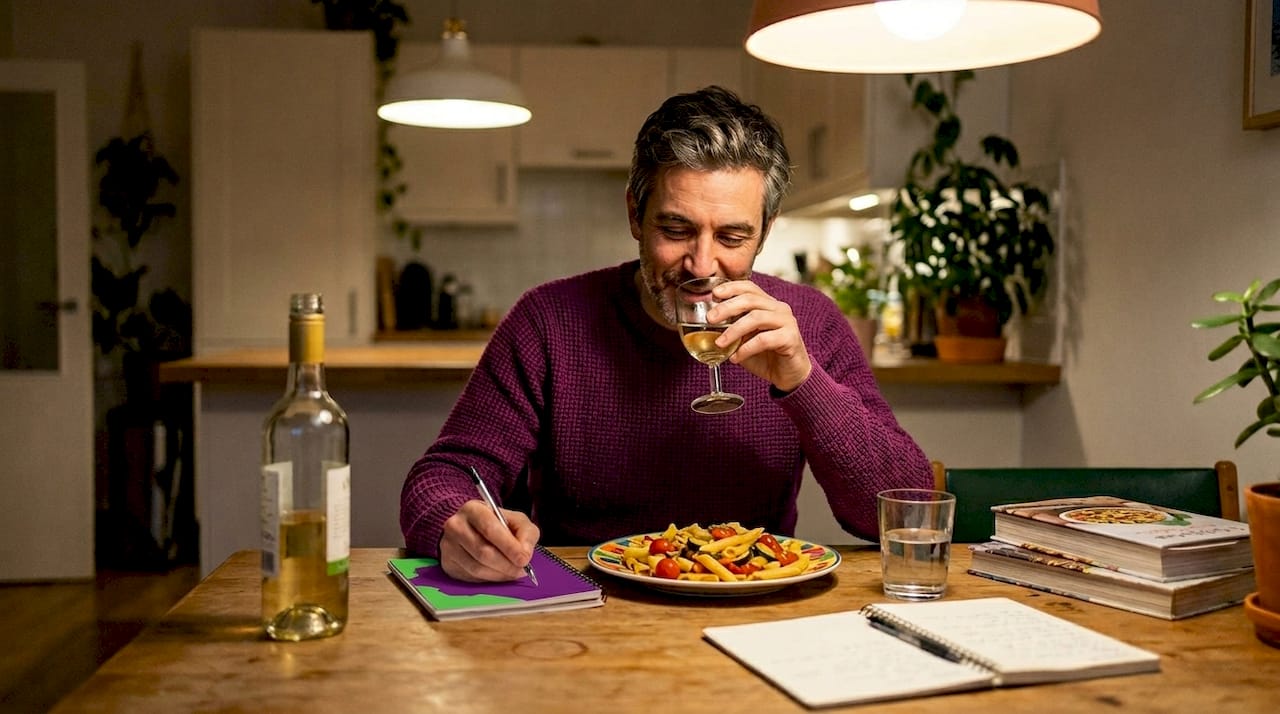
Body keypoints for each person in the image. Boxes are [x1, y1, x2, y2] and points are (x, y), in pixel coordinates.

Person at [400, 86, 933, 582]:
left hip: (752, 613)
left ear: (764, 233)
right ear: (636, 214)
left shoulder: (809, 323)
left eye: (732, 237)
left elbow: (904, 510)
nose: (701, 264)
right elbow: (444, 473)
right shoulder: (548, 320)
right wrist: (453, 525)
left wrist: (803, 382)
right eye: (676, 230)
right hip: (581, 607)